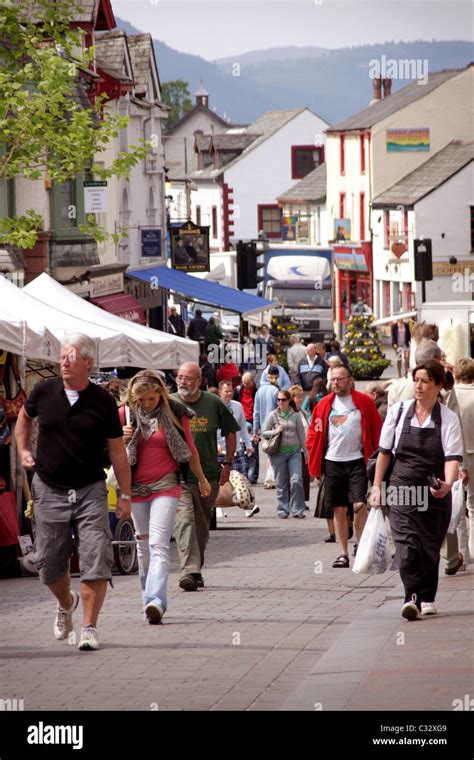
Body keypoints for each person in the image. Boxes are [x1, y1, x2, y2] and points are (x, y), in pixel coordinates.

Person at [15, 334, 132, 651]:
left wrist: (124, 494)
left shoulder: (103, 402)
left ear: (88, 363)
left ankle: (90, 627)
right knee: (49, 563)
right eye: (62, 356)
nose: (64, 361)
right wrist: (24, 450)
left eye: (71, 356)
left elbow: (118, 452)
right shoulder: (44, 390)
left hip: (90, 489)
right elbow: (24, 419)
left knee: (95, 556)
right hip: (49, 487)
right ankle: (66, 602)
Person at [369, 360, 463, 620]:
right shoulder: (398, 412)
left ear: (438, 386)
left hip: (433, 490)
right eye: (416, 380)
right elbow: (385, 453)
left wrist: (448, 483)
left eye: (425, 381)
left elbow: (452, 456)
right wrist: (377, 486)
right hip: (402, 487)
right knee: (408, 544)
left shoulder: (447, 418)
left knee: (428, 544)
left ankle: (427, 597)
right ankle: (411, 597)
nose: (419, 386)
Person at [120, 371, 210, 624]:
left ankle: (156, 601)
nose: (147, 404)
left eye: (151, 398)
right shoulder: (124, 414)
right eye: (142, 401)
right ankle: (147, 599)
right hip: (136, 488)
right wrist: (121, 438)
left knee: (158, 545)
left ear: (160, 392)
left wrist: (202, 479)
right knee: (143, 549)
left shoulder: (176, 414)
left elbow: (190, 450)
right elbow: (111, 452)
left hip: (166, 486)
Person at [172, 363, 240, 591]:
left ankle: (195, 569)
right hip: (176, 476)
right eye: (179, 377)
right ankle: (187, 571)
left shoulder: (213, 403)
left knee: (201, 526)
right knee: (184, 522)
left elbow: (231, 432)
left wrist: (228, 464)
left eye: (187, 378)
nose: (182, 382)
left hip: (208, 475)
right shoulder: (169, 403)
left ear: (200, 380)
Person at [307, 365, 382, 568]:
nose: (336, 382)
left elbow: (377, 431)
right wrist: (314, 465)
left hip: (357, 461)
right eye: (333, 379)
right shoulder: (323, 405)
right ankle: (343, 552)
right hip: (332, 462)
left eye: (340, 378)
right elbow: (313, 434)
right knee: (338, 509)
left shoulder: (364, 402)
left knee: (359, 505)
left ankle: (361, 543)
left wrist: (379, 460)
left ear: (350, 380)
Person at [261, 389, 308, 518]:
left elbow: (301, 435)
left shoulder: (295, 415)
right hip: (278, 453)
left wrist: (306, 452)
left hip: (295, 452)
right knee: (281, 482)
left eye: (283, 400)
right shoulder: (273, 415)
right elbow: (264, 432)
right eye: (278, 400)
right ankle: (282, 510)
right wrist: (276, 431)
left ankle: (297, 510)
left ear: (289, 401)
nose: (280, 402)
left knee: (296, 480)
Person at [387, 339, 442, 407]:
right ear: (433, 360)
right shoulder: (442, 388)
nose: (418, 386)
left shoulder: (395, 389)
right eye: (440, 360)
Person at [253, 366, 280, 488]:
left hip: (263, 426)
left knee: (268, 452)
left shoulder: (259, 391)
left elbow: (256, 412)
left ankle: (269, 478)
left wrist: (255, 431)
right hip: (275, 426)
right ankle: (270, 478)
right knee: (274, 453)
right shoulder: (276, 391)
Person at [233, 372, 259, 484]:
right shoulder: (238, 390)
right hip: (241, 421)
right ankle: (244, 473)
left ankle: (252, 476)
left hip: (252, 421)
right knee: (242, 449)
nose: (246, 385)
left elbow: (257, 408)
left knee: (253, 449)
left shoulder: (256, 392)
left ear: (252, 382)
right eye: (244, 383)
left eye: (248, 383)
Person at [289, 384, 310, 506]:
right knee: (296, 477)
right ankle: (295, 501)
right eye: (298, 397)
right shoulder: (290, 413)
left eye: (301, 397)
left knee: (305, 476)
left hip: (304, 449)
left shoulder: (303, 412)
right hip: (294, 449)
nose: (301, 399)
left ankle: (302, 500)